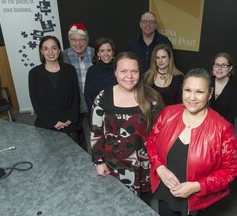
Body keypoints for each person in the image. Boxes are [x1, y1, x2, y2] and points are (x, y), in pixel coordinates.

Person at [146, 68, 237, 216]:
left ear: (209, 94)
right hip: (166, 191)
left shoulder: (223, 129)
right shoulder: (168, 113)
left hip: (198, 200)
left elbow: (230, 171)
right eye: (188, 90)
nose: (192, 97)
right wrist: (160, 168)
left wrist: (197, 186)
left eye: (199, 92)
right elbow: (151, 143)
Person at [90, 52, 164, 204]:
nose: (129, 76)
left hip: (145, 167)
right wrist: (98, 162)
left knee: (143, 206)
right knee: (117, 206)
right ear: (115, 72)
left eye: (134, 71)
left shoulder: (152, 98)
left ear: (140, 73)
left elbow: (160, 135)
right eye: (123, 71)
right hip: (114, 167)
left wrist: (159, 166)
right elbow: (96, 132)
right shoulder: (103, 97)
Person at [29, 35, 81, 143]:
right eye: (46, 48)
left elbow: (76, 96)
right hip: (46, 122)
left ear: (59, 50)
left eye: (54, 48)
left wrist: (71, 119)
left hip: (69, 121)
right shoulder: (34, 73)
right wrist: (53, 122)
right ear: (41, 52)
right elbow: (36, 103)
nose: (50, 52)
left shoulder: (70, 70)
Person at [62, 23, 94, 151]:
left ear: (87, 40)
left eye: (81, 39)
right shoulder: (62, 56)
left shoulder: (96, 53)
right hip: (74, 104)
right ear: (69, 40)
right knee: (77, 138)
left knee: (97, 133)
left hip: (93, 101)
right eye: (73, 40)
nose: (78, 43)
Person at [84, 37, 118, 113]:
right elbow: (88, 95)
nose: (106, 54)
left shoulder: (119, 69)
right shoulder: (92, 71)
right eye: (102, 51)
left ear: (113, 53)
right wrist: (95, 112)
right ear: (98, 53)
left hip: (118, 112)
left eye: (108, 50)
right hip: (98, 113)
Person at [209, 52, 237, 124]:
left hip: (224, 126)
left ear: (230, 68)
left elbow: (232, 113)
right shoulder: (206, 82)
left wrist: (221, 128)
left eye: (223, 65)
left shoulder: (235, 87)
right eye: (217, 65)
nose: (219, 68)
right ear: (213, 67)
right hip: (206, 124)